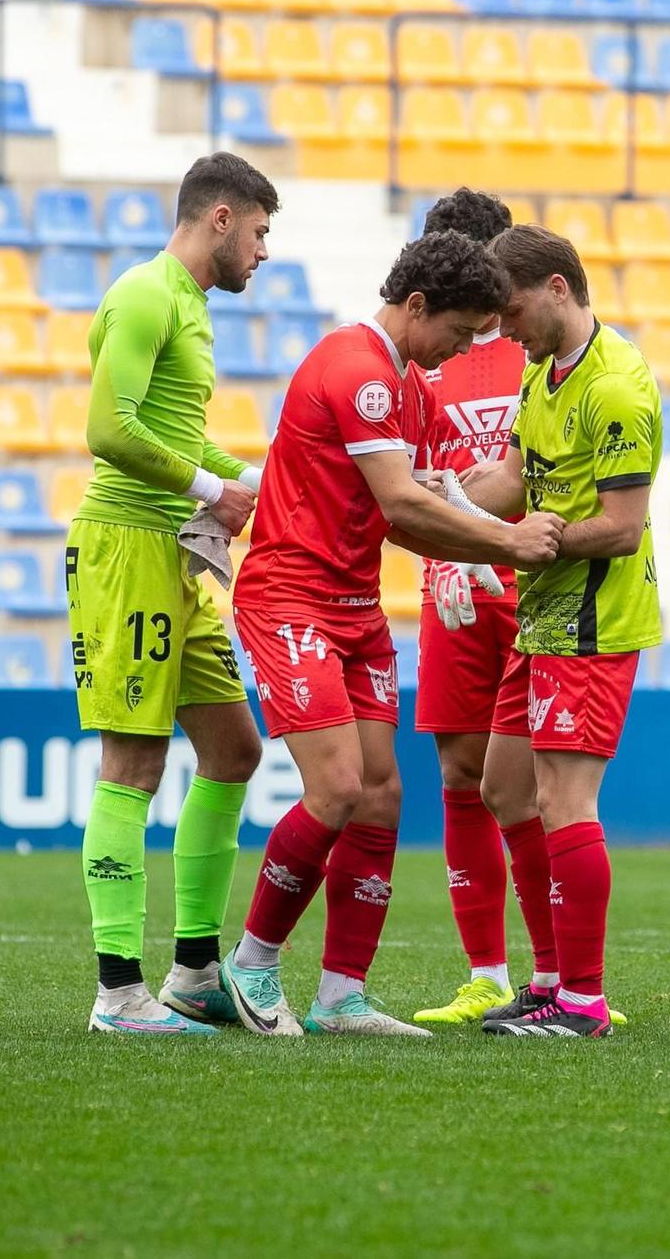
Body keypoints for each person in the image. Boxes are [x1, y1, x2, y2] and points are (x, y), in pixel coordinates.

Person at [220, 231, 565, 1038]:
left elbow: (402, 517)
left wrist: (467, 551)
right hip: (290, 600)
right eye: (457, 330)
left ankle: (341, 994)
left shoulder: (411, 385)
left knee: (380, 795)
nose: (458, 351)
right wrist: (505, 542)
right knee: (337, 785)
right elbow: (406, 506)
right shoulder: (357, 371)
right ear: (417, 307)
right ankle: (254, 961)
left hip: (354, 606)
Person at [69, 152, 278, 1037]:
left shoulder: (190, 306)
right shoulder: (149, 292)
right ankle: (118, 993)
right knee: (135, 764)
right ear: (220, 218)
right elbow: (108, 429)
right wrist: (212, 490)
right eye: (261, 232)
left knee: (234, 750)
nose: (265, 253)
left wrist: (264, 478)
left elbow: (176, 437)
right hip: (127, 546)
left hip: (182, 554)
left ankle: (194, 970)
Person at [462, 225, 664, 1040]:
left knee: (565, 798)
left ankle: (582, 997)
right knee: (504, 788)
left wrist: (536, 536)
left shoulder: (617, 386)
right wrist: (453, 495)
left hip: (593, 617)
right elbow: (514, 479)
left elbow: (621, 526)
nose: (505, 333)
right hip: (540, 613)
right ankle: (547, 978)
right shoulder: (542, 373)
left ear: (555, 287)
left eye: (510, 313)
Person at [398, 190, 565, 1028]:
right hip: (455, 588)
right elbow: (414, 479)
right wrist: (442, 552)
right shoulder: (420, 357)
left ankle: (559, 972)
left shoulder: (540, 350)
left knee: (533, 786)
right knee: (461, 773)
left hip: (531, 585)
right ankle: (488, 974)